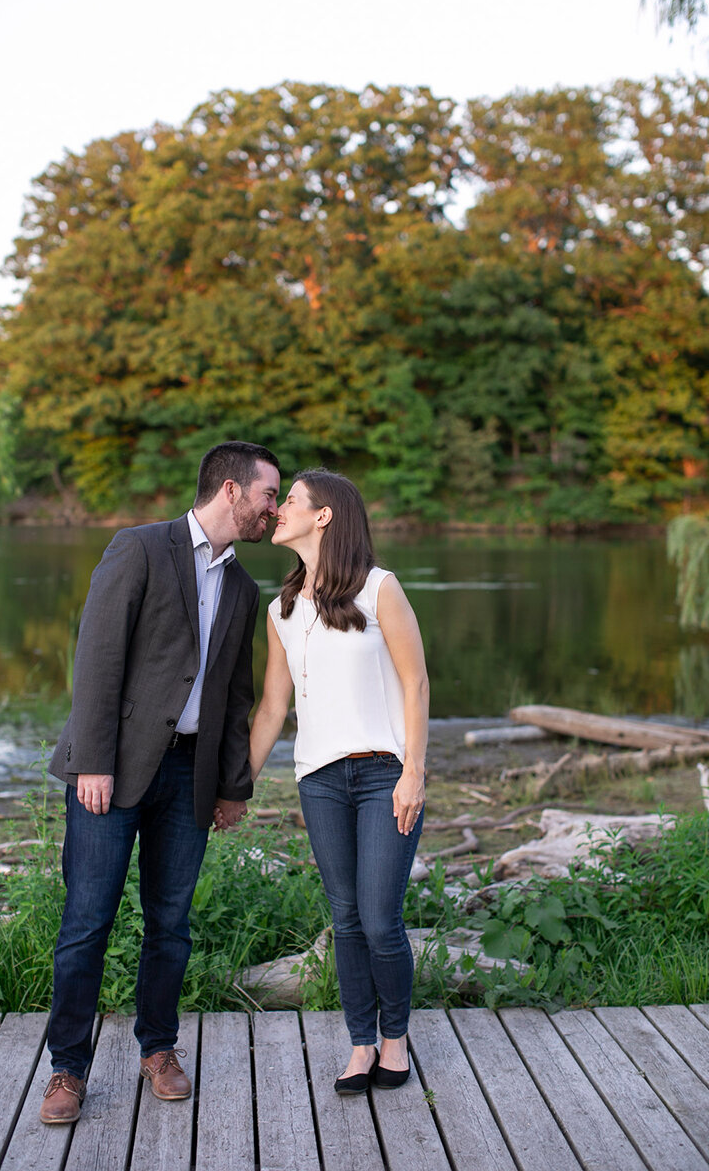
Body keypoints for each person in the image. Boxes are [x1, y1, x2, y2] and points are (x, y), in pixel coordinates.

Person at [39, 441, 280, 1124]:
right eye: (269, 493)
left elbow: (236, 699)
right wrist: (93, 759)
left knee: (170, 924)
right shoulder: (141, 548)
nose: (273, 507)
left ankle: (159, 1048)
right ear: (231, 490)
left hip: (191, 775)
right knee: (88, 920)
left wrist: (234, 786)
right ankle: (66, 1069)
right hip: (110, 770)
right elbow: (97, 657)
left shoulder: (242, 587)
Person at [243, 468, 428, 1093]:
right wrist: (234, 785)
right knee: (345, 918)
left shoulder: (380, 589)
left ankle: (395, 1040)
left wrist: (414, 773)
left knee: (380, 919)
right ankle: (359, 1045)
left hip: (385, 776)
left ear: (324, 516)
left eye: (289, 500)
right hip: (318, 780)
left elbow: (416, 683)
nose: (277, 510)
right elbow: (272, 708)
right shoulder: (282, 610)